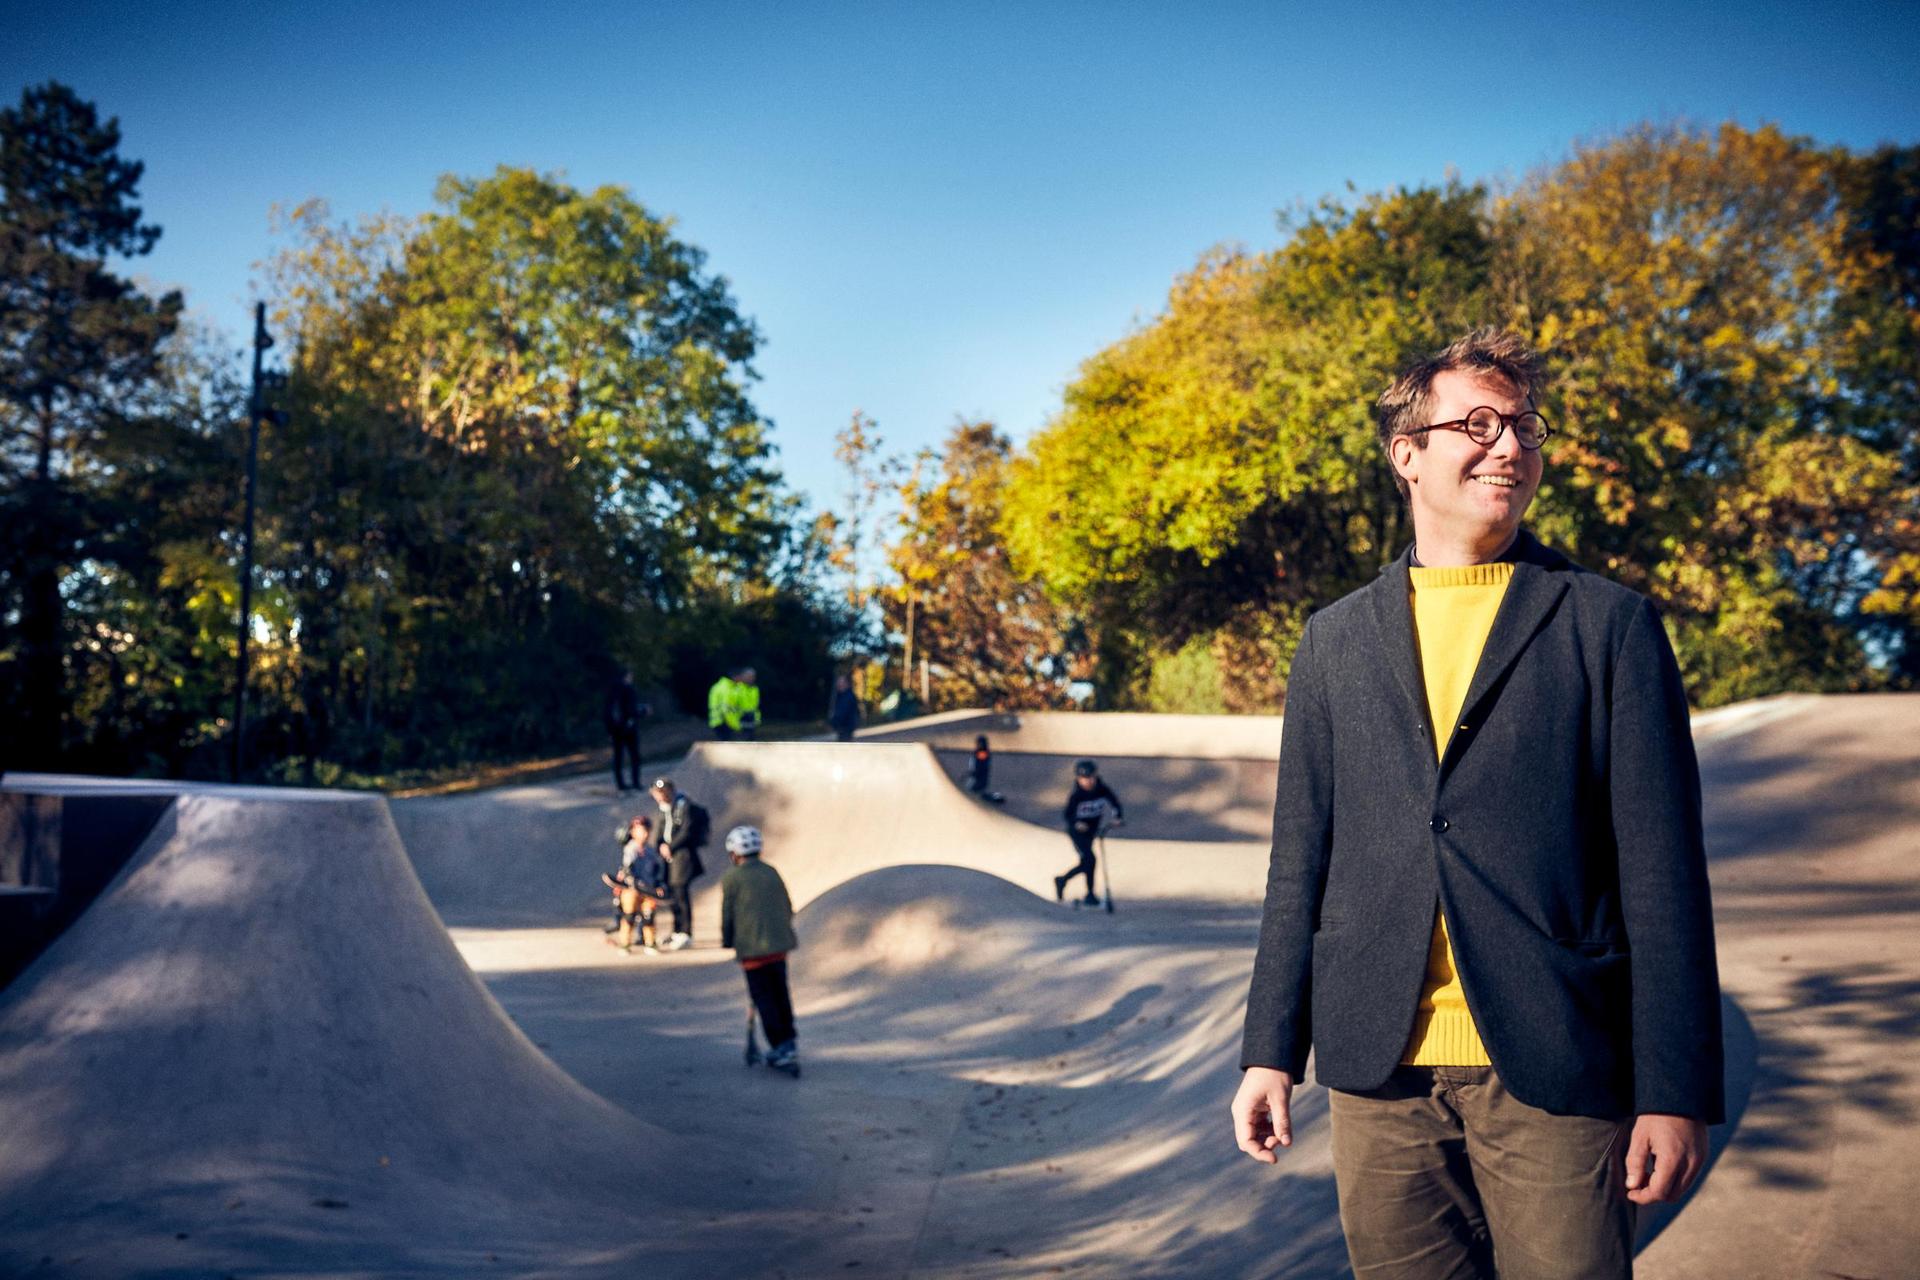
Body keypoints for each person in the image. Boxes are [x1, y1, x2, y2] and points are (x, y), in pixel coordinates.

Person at [1230, 330, 1723, 1280]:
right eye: (1479, 424)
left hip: (1555, 1067)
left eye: (1525, 427)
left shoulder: (1607, 624)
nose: (1509, 447)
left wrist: (1676, 1087)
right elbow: (1302, 862)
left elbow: (1661, 872)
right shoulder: (1333, 641)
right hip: (1379, 1071)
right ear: (1406, 453)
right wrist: (1270, 1051)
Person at [719, 824, 800, 1074]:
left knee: (763, 998)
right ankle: (789, 1039)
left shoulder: (732, 878)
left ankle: (779, 1045)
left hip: (752, 951)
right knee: (780, 993)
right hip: (779, 947)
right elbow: (787, 906)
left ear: (735, 853)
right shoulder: (771, 871)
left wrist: (728, 940)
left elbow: (728, 915)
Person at [649, 776, 708, 950]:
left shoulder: (683, 805)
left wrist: (671, 846)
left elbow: (687, 831)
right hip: (668, 858)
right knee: (672, 894)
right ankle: (676, 931)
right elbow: (660, 831)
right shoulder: (663, 809)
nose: (658, 797)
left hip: (683, 856)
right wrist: (660, 845)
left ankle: (686, 933)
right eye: (656, 793)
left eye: (661, 793)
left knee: (681, 893)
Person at [1055, 759, 1122, 905]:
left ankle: (1064, 881)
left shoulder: (1102, 790)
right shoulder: (1077, 796)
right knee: (1090, 860)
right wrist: (1077, 823)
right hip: (1077, 833)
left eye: (1090, 778)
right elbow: (1068, 815)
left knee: (1088, 862)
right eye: (1084, 779)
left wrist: (1117, 817)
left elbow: (1115, 803)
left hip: (1091, 831)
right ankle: (1088, 893)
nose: (1088, 782)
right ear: (1078, 779)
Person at [601, 815, 665, 953]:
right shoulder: (631, 849)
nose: (645, 834)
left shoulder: (650, 851)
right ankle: (625, 944)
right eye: (641, 831)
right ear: (633, 832)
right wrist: (628, 878)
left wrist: (659, 884)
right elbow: (627, 867)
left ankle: (650, 943)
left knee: (649, 916)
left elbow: (656, 870)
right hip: (632, 889)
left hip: (648, 889)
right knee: (629, 916)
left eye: (647, 831)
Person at [603, 670, 650, 792]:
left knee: (618, 757)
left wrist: (609, 730)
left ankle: (621, 785)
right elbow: (631, 710)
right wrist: (644, 711)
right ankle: (635, 783)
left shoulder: (611, 691)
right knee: (634, 756)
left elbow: (606, 712)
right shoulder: (628, 689)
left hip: (615, 730)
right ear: (626, 676)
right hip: (629, 729)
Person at [708, 665, 763, 741]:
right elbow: (727, 708)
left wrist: (756, 720)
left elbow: (754, 707)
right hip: (724, 721)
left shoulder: (753, 689)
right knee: (728, 743)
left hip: (736, 721)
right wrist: (735, 725)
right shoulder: (730, 688)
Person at [965, 734, 1004, 803]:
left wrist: (974, 774)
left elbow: (980, 766)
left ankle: (995, 797)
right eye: (978, 743)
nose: (979, 744)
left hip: (978, 778)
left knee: (971, 793)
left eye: (980, 743)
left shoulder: (982, 753)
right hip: (977, 778)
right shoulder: (981, 752)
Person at [828, 673, 861, 741]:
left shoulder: (847, 696)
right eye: (838, 682)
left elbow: (842, 712)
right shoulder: (842, 695)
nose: (839, 684)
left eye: (841, 682)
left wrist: (833, 722)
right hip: (845, 727)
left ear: (847, 684)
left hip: (846, 727)